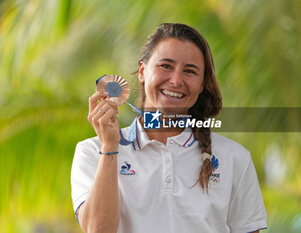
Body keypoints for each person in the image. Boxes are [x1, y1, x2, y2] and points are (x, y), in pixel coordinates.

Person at [71, 23, 267, 233]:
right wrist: (110, 146)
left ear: (201, 85)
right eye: (166, 66)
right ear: (142, 71)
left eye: (190, 71)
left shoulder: (234, 158)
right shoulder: (92, 152)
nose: (176, 80)